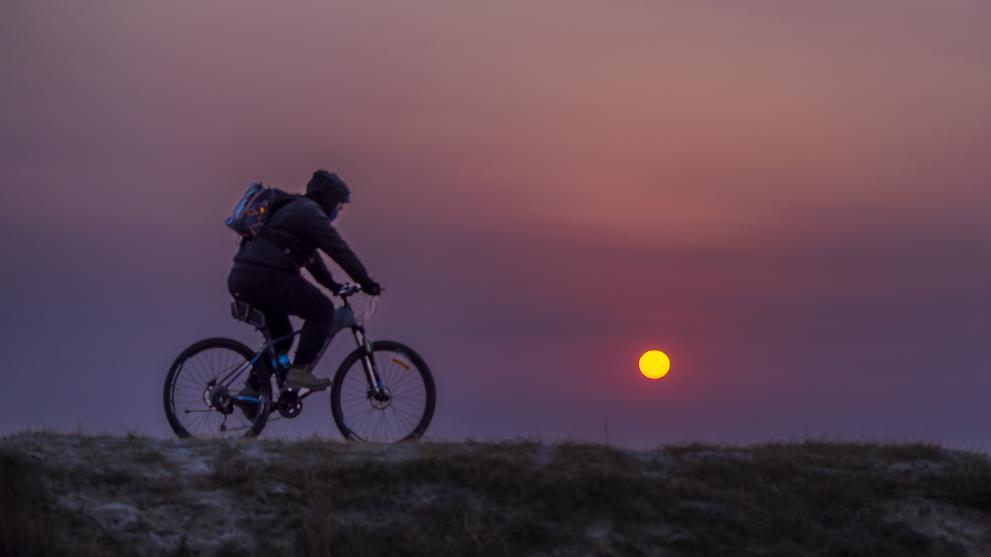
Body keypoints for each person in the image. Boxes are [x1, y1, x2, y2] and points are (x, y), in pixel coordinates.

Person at [227, 170, 381, 392]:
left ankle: (251, 391)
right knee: (322, 309)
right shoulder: (309, 213)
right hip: (265, 277)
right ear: (327, 198)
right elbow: (340, 251)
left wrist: (333, 286)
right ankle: (299, 372)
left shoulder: (296, 210)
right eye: (338, 206)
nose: (337, 213)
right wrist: (366, 281)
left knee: (281, 338)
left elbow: (312, 261)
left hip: (244, 277)